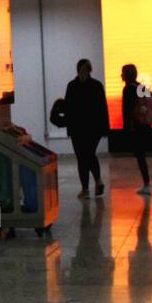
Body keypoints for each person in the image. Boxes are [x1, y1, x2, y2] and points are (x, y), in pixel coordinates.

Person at [61, 58, 110, 199]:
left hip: (83, 128)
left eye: (85, 70)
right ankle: (95, 182)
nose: (83, 72)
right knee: (87, 155)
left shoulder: (73, 85)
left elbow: (68, 107)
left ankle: (87, 188)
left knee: (84, 156)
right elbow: (102, 108)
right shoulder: (95, 85)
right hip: (88, 128)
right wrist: (105, 128)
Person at [120, 63, 152, 195]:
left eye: (123, 72)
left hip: (135, 127)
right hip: (144, 125)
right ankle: (146, 183)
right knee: (141, 155)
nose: (121, 75)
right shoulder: (140, 86)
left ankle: (147, 183)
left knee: (140, 155)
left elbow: (126, 111)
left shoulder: (128, 88)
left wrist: (126, 128)